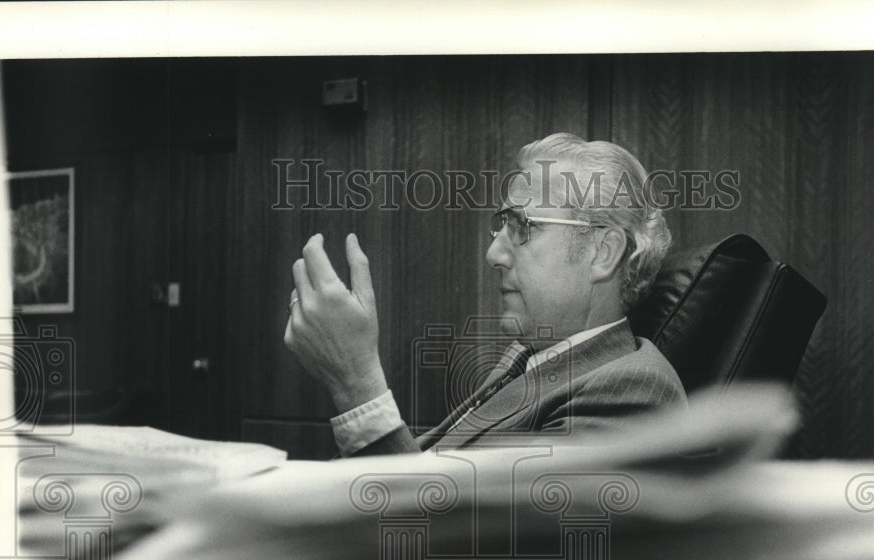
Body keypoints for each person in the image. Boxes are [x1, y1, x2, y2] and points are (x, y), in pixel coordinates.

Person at [283, 132, 687, 456]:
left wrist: (357, 386)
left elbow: (454, 547)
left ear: (604, 252)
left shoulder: (634, 393)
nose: (494, 253)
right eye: (502, 226)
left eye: (522, 227)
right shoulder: (526, 355)